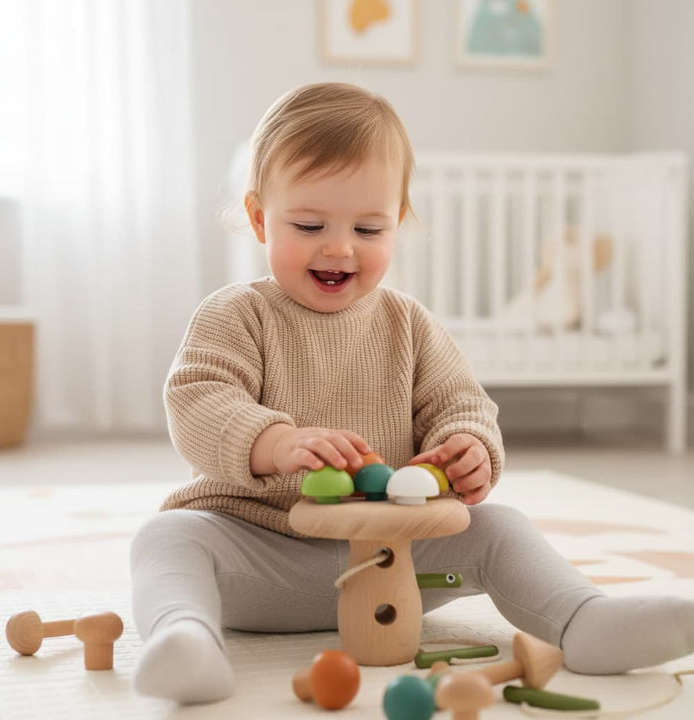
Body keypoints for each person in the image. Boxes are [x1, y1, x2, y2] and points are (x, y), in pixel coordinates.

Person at [130, 82, 694, 704]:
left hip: (398, 562)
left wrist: (467, 448)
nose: (339, 246)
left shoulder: (409, 324)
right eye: (310, 223)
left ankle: (584, 621)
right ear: (262, 217)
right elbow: (198, 400)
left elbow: (462, 402)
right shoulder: (236, 314)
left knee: (499, 526)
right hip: (264, 560)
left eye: (368, 228)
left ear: (397, 222)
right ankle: (186, 640)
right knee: (168, 538)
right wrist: (276, 440)